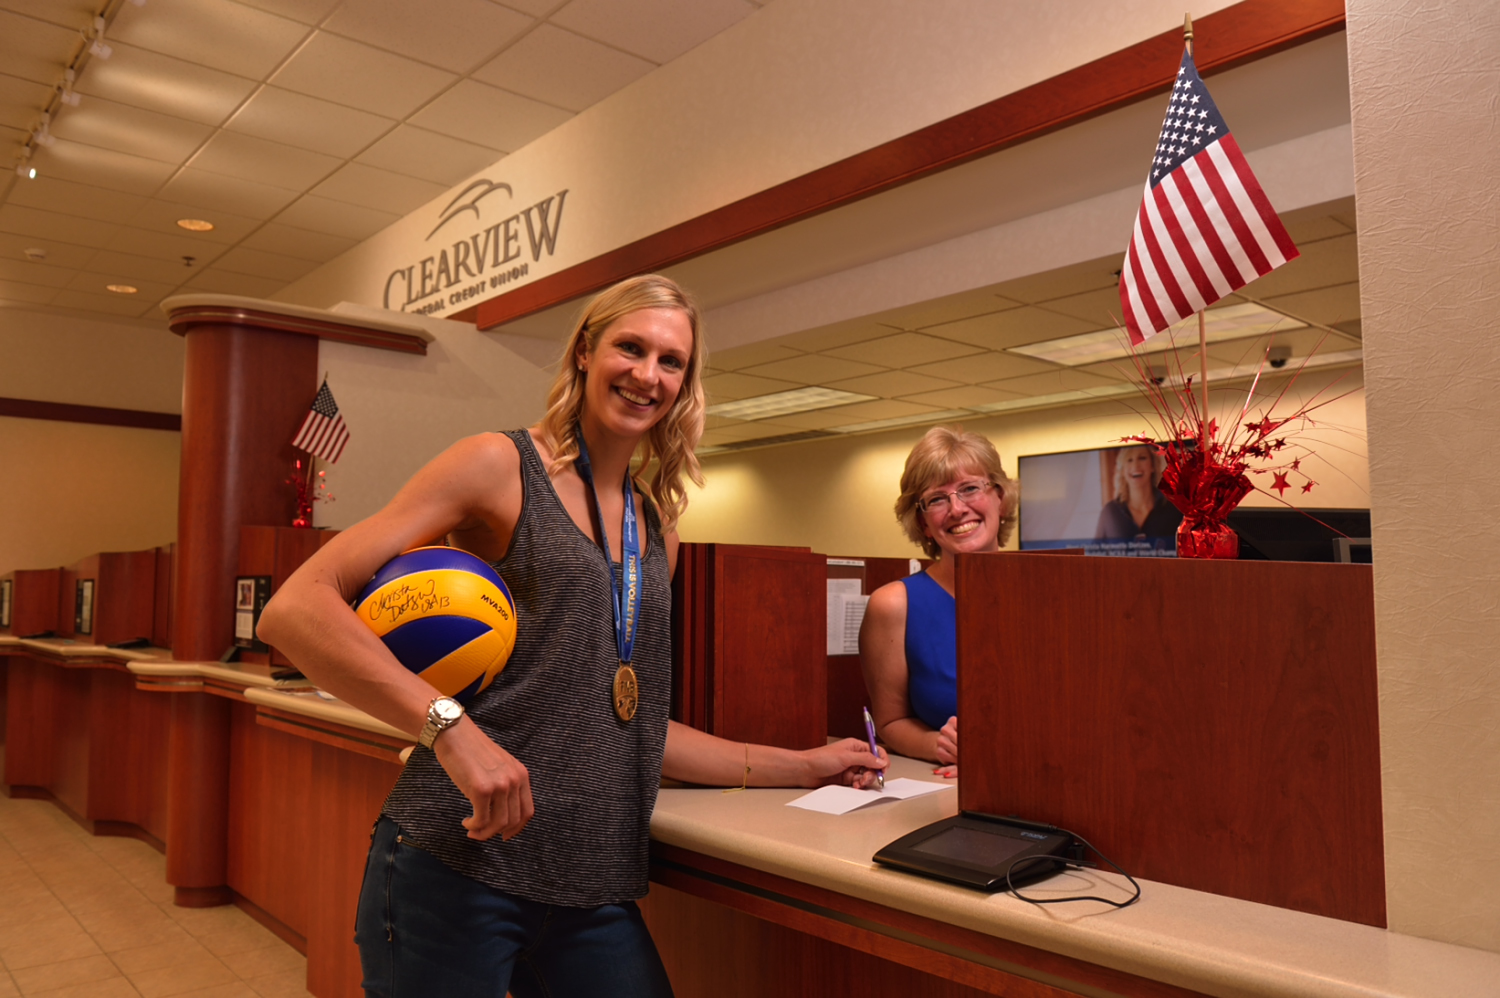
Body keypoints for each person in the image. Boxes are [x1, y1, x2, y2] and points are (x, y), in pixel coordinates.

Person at [256, 275, 885, 998]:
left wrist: (807, 765)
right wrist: (450, 730)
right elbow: (296, 608)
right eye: (631, 347)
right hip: (456, 866)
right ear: (586, 352)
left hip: (591, 882)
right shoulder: (497, 466)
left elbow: (634, 723)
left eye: (671, 361)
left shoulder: (657, 531)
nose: (648, 374)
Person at [859, 426, 1016, 779]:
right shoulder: (893, 605)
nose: (957, 509)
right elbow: (890, 721)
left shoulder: (1053, 590)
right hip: (946, 790)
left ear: (1000, 498)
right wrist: (941, 747)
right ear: (923, 523)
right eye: (937, 499)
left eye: (970, 488)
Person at [1093, 444, 1182, 540]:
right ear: (1122, 470)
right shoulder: (1110, 512)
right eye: (1129, 460)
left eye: (1142, 458)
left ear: (1152, 466)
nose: (1135, 466)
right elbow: (1095, 553)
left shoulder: (1174, 509)